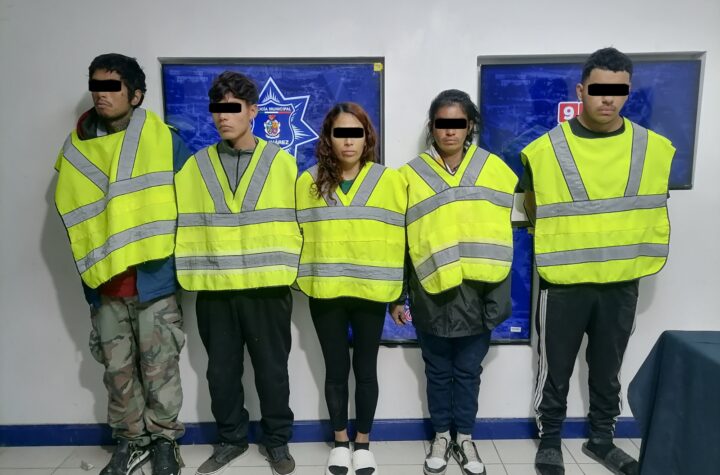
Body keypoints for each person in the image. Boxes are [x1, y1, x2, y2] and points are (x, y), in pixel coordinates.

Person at [521, 47, 675, 475]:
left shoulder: (653, 148)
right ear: (581, 91)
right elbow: (533, 207)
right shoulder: (544, 150)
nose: (608, 99)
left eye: (618, 90)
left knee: (608, 370)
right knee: (555, 370)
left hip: (621, 280)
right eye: (599, 89)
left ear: (628, 92)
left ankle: (602, 440)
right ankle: (550, 440)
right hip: (564, 282)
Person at [54, 53, 188, 475]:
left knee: (161, 369)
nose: (101, 94)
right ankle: (131, 443)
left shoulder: (165, 140)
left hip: (154, 280)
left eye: (112, 86)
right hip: (105, 283)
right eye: (96, 85)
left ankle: (164, 442)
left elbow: (191, 207)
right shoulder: (75, 151)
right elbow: (75, 217)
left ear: (136, 95)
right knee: (117, 373)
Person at [173, 71, 302, 475]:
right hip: (216, 289)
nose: (222, 116)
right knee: (221, 373)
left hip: (267, 289)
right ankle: (231, 439)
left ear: (253, 111)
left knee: (272, 371)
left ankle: (276, 441)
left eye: (232, 108)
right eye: (217, 108)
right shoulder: (194, 167)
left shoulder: (282, 164)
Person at [392, 89, 517, 475]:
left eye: (457, 123)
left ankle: (465, 437)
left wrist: (498, 298)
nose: (449, 131)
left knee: (467, 373)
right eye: (441, 123)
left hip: (479, 293)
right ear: (432, 127)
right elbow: (401, 243)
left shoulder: (495, 170)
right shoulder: (409, 176)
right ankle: (441, 436)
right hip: (431, 293)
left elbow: (503, 238)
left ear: (470, 126)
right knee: (436, 372)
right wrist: (398, 296)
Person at [295, 102, 407, 475]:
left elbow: (399, 240)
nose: (347, 141)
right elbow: (297, 236)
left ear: (366, 138)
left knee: (366, 369)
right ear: (328, 138)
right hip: (325, 292)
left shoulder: (389, 181)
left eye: (355, 133)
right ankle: (340, 442)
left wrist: (398, 298)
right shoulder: (308, 182)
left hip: (371, 292)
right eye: (340, 133)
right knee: (335, 369)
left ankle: (363, 443)